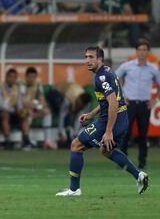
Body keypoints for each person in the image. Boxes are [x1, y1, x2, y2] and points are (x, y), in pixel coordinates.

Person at [56, 46, 148, 196]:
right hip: (121, 118)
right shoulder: (107, 71)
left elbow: (113, 103)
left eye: (91, 57)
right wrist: (91, 114)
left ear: (100, 59)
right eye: (86, 57)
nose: (88, 60)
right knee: (106, 151)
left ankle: (74, 189)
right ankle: (139, 176)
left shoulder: (101, 77)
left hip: (111, 120)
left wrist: (108, 131)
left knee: (76, 145)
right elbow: (109, 101)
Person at [115, 39, 160, 169]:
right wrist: (122, 96)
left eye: (144, 50)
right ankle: (122, 161)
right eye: (139, 50)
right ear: (136, 51)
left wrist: (154, 100)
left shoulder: (153, 69)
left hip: (144, 105)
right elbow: (115, 79)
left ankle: (142, 162)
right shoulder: (127, 66)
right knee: (125, 133)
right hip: (129, 104)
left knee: (143, 135)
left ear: (148, 52)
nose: (142, 52)